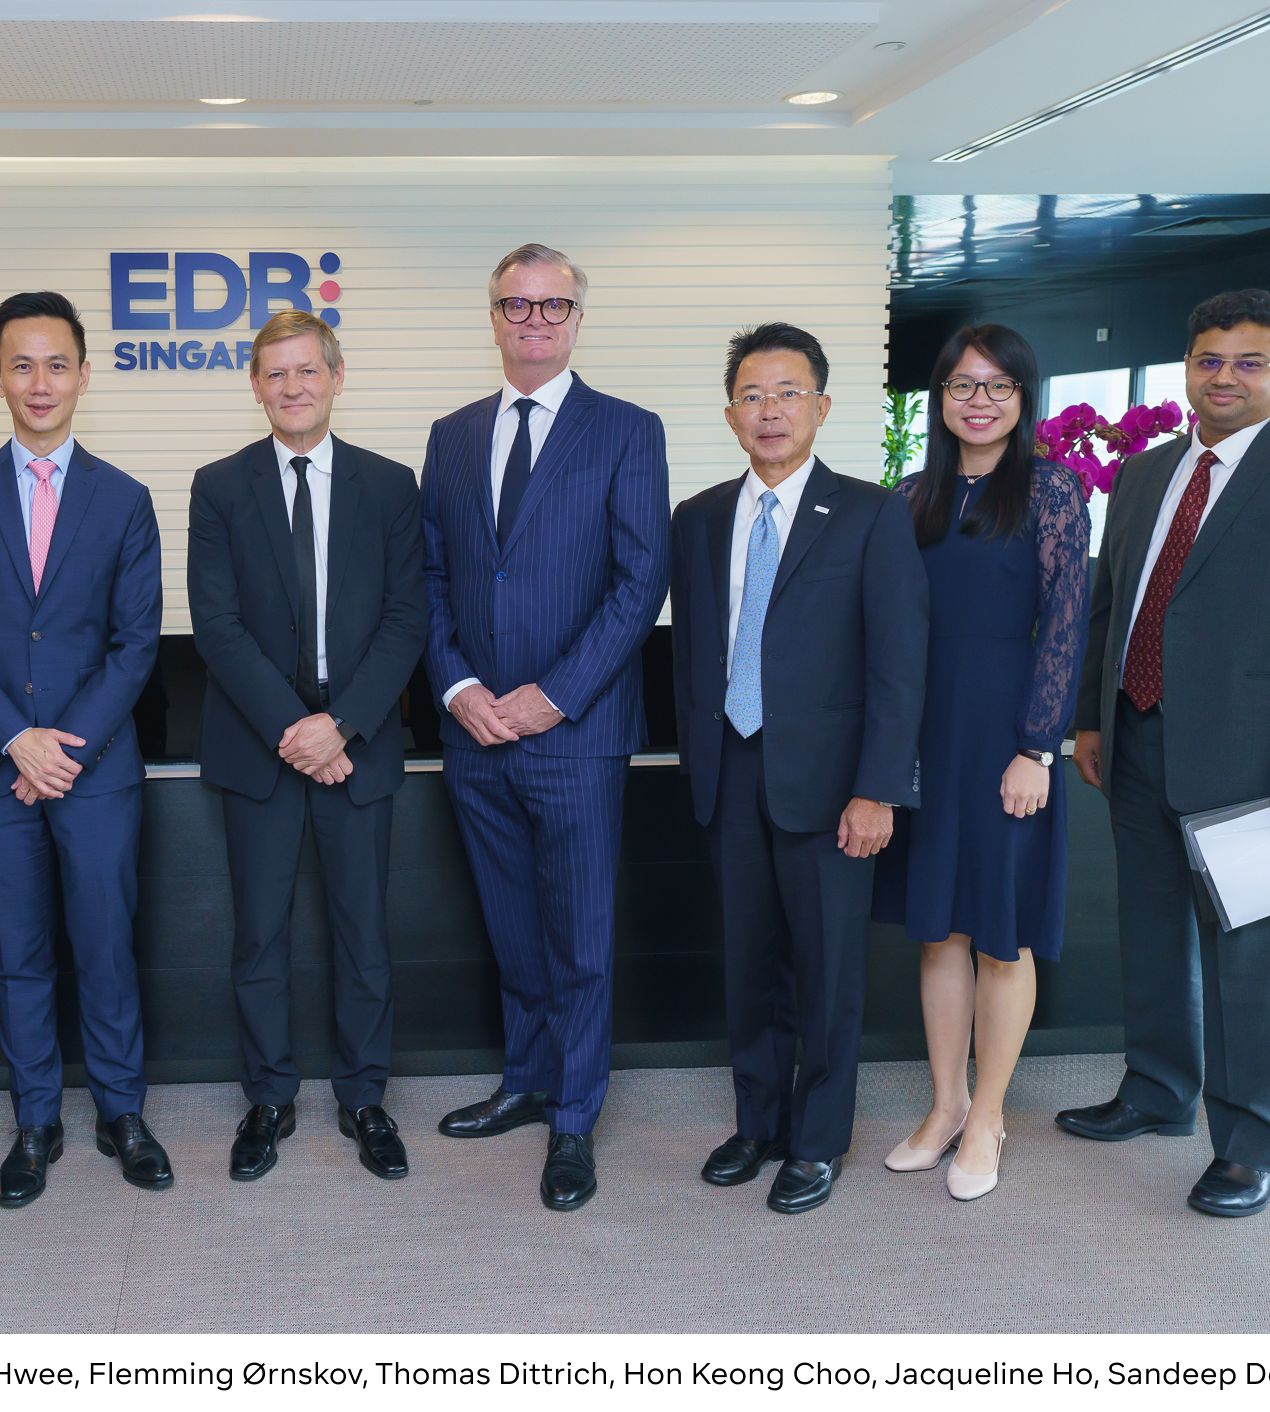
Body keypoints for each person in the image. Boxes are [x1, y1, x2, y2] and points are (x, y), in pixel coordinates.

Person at [1061, 289, 1270, 1218]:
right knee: (1150, 932)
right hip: (1137, 735)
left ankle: (1252, 1143)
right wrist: (1092, 718)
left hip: (1257, 759)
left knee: (1251, 958)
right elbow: (1111, 603)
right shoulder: (1145, 472)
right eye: (1209, 360)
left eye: (1249, 362)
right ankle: (1157, 1092)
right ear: (1188, 366)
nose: (1225, 377)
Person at [423, 244, 670, 1212]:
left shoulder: (627, 430)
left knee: (579, 938)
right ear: (491, 316)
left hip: (576, 732)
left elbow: (638, 582)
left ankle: (573, 1116)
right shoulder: (450, 436)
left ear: (576, 318)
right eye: (515, 304)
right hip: (474, 732)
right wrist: (457, 686)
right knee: (512, 929)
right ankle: (526, 1080)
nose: (534, 319)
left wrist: (554, 695)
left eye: (552, 304)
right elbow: (431, 577)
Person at [0, 291, 169, 1208]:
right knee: (19, 956)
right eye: (21, 365)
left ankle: (122, 1112)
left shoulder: (125, 499)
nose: (40, 381)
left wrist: (63, 750)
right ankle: (35, 1121)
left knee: (105, 948)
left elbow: (135, 643)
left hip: (95, 774)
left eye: (56, 364)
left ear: (84, 375)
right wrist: (16, 741)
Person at [669, 322, 926, 1214]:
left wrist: (878, 788)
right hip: (730, 770)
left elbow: (899, 665)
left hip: (833, 785)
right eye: (752, 395)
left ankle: (817, 1142)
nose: (769, 410)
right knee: (750, 967)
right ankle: (758, 1124)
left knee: (827, 971)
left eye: (787, 393)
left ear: (821, 406)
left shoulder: (870, 513)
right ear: (730, 414)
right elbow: (693, 652)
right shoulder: (699, 518)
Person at [186, 310, 426, 1183]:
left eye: (307, 370)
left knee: (364, 935)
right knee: (259, 937)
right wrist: (297, 730)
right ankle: (269, 1099)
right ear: (256, 385)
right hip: (262, 745)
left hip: (356, 743)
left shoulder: (389, 486)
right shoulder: (219, 486)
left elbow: (407, 619)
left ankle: (365, 1097)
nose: (292, 387)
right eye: (275, 373)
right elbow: (215, 625)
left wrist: (342, 725)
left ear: (336, 376)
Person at [871, 325, 1089, 1201]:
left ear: (1023, 398)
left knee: (1002, 934)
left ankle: (990, 1115)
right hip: (924, 732)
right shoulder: (909, 495)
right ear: (940, 398)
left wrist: (1038, 747)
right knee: (938, 931)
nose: (980, 401)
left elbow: (1066, 625)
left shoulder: (1050, 490)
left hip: (1007, 733)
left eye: (999, 386)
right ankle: (946, 1105)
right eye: (963, 385)